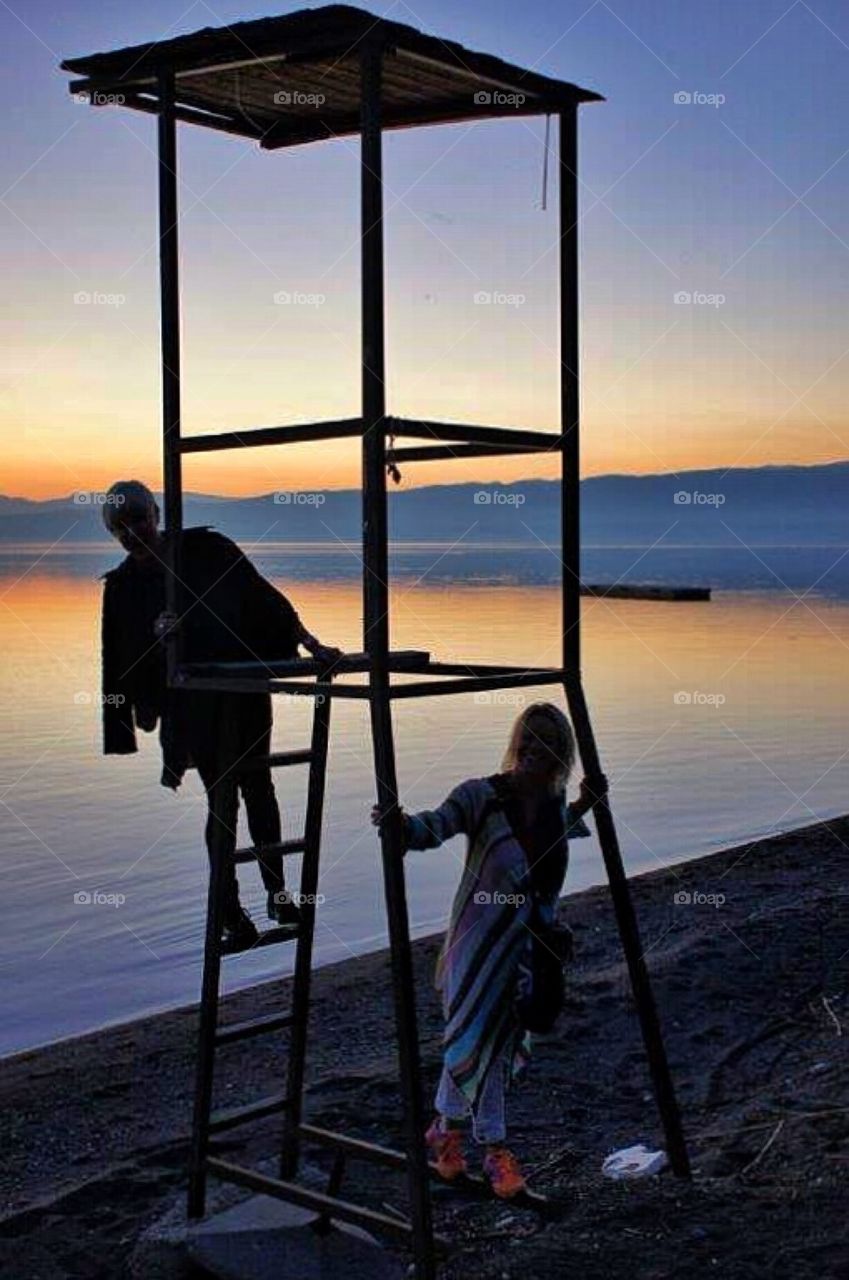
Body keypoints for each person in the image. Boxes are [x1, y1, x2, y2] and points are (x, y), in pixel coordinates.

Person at [372, 702, 607, 1199]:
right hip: (474, 953)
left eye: (543, 741)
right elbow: (433, 827)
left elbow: (550, 841)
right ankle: (495, 1150)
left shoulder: (552, 806)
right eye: (525, 736)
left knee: (485, 1046)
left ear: (560, 754)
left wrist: (585, 806)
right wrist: (399, 824)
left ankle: (445, 1132)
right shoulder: (482, 796)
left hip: (525, 954)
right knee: (479, 1045)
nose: (528, 747)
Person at [100, 479, 342, 950]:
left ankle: (277, 892)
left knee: (260, 787)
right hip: (194, 705)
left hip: (245, 691)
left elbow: (267, 601)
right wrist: (154, 647)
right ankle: (229, 907)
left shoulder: (207, 550)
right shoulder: (124, 587)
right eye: (120, 527)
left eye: (138, 519)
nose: (132, 532)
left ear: (156, 513)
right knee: (223, 798)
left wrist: (314, 647)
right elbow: (119, 660)